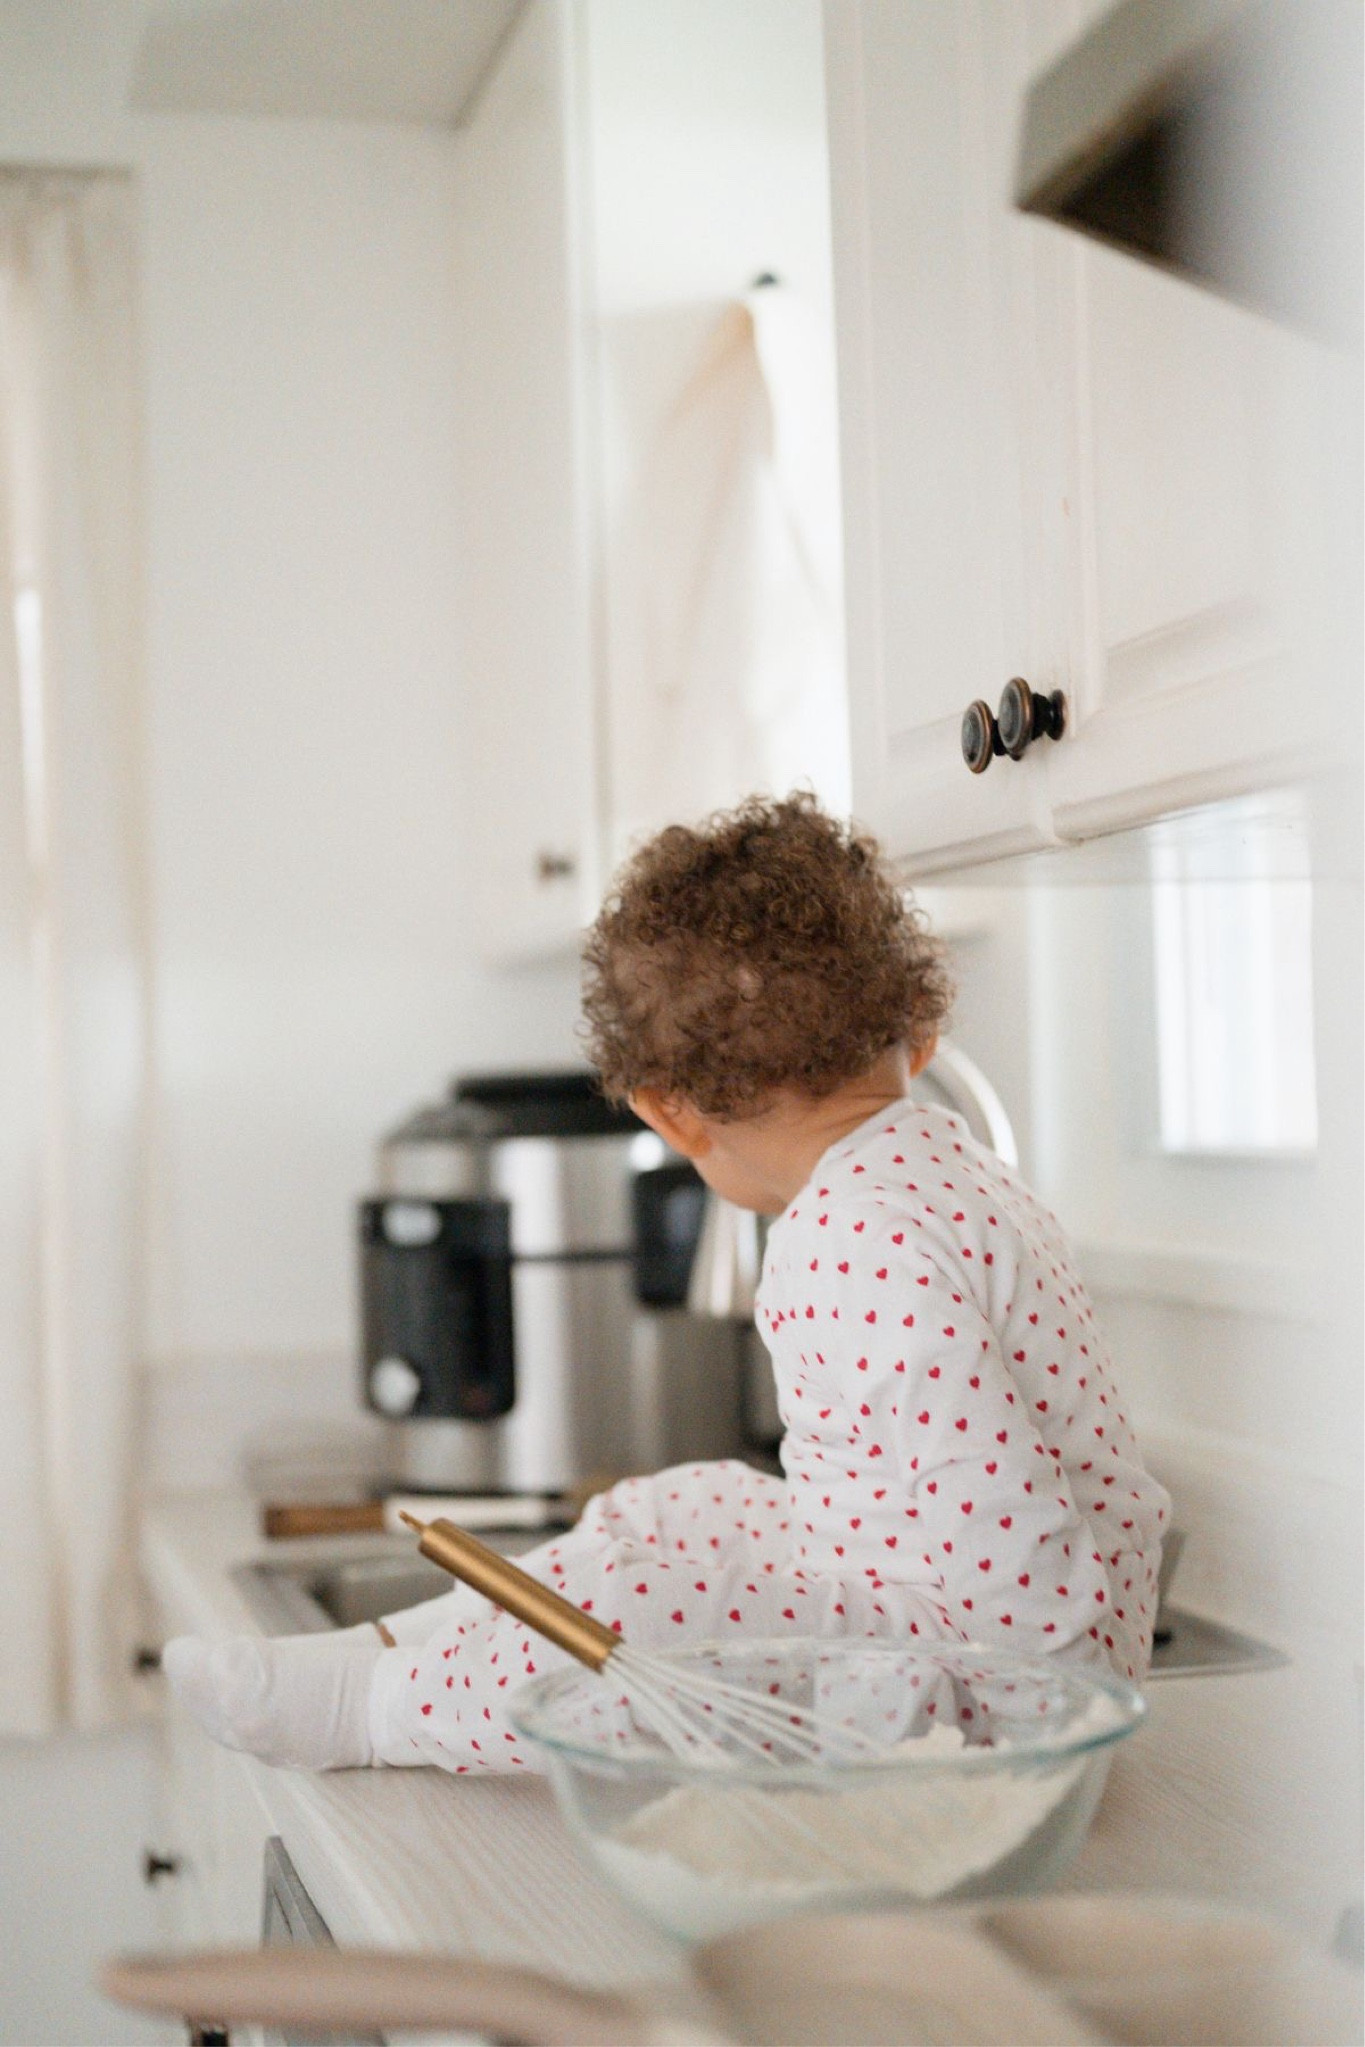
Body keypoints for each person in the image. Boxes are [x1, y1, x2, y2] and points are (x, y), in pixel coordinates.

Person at [164, 794, 1168, 1774]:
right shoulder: (949, 1173)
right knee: (681, 1514)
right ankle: (383, 1649)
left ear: (671, 1116)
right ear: (922, 1027)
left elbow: (1010, 1543)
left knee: (654, 1605)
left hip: (987, 1698)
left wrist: (1052, 1739)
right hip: (954, 1621)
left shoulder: (853, 1236)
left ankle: (376, 1706)